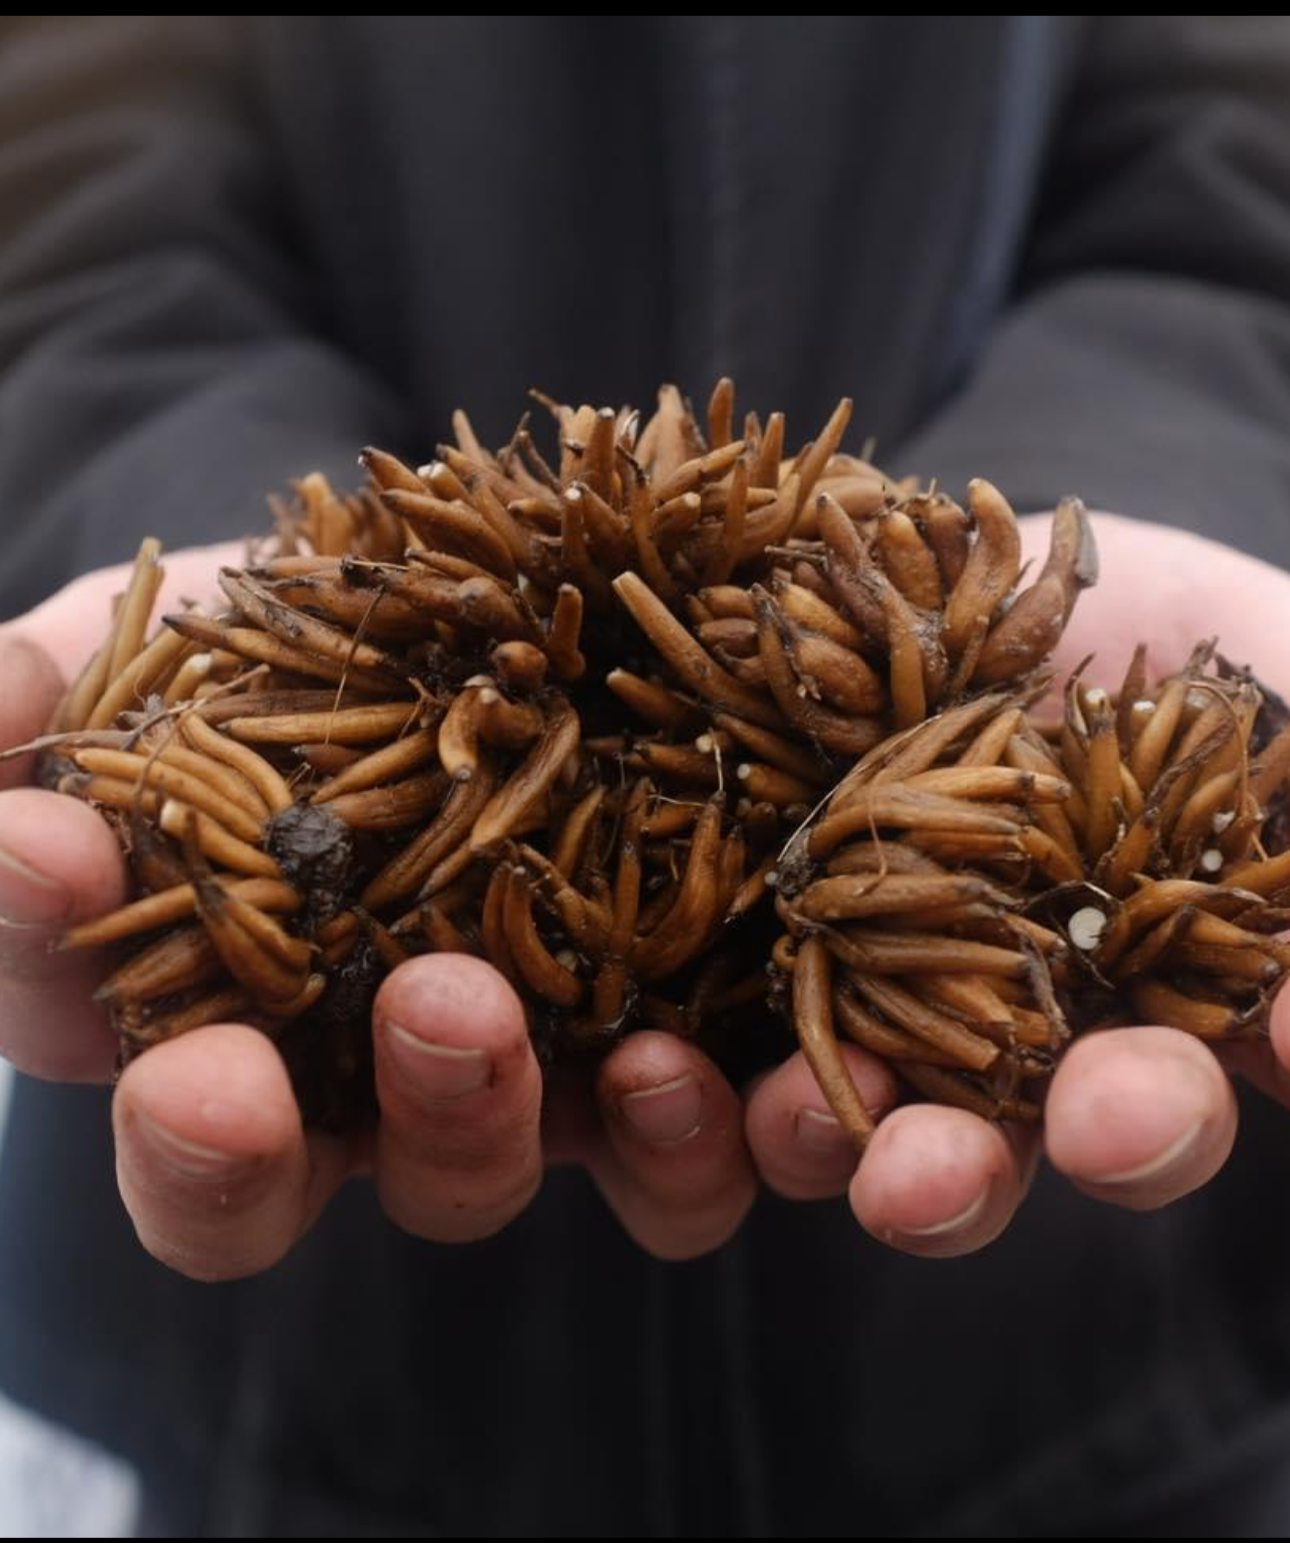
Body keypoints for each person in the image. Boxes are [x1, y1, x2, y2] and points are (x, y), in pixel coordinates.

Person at [4, 15, 1290, 1536]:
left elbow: (1235, 170)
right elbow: (71, 194)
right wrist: (233, 534)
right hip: (327, 1394)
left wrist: (1082, 517)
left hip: (1099, 1380)